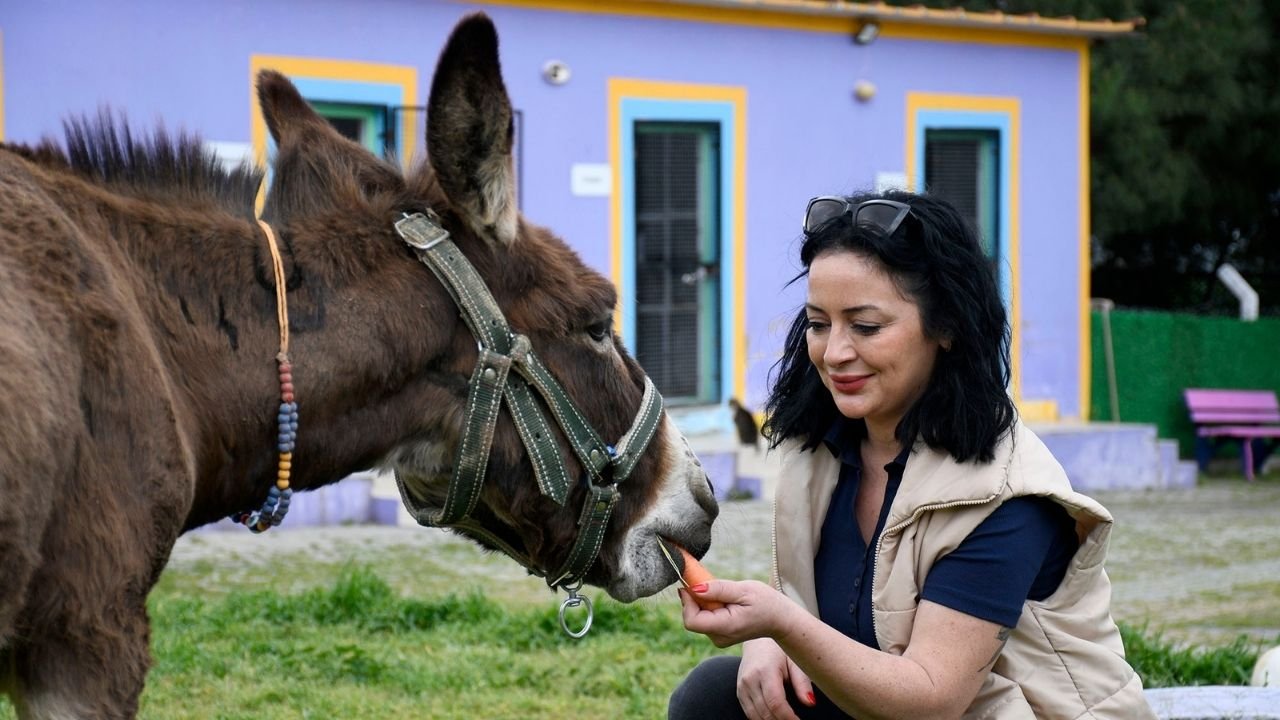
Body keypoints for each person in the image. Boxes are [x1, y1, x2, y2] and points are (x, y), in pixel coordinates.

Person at [668, 190, 1155, 719]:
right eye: (818, 323)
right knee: (713, 697)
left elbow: (931, 699)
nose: (834, 353)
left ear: (945, 327)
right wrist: (767, 638)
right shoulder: (823, 449)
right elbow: (798, 587)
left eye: (866, 326)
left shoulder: (1006, 495)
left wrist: (780, 624)